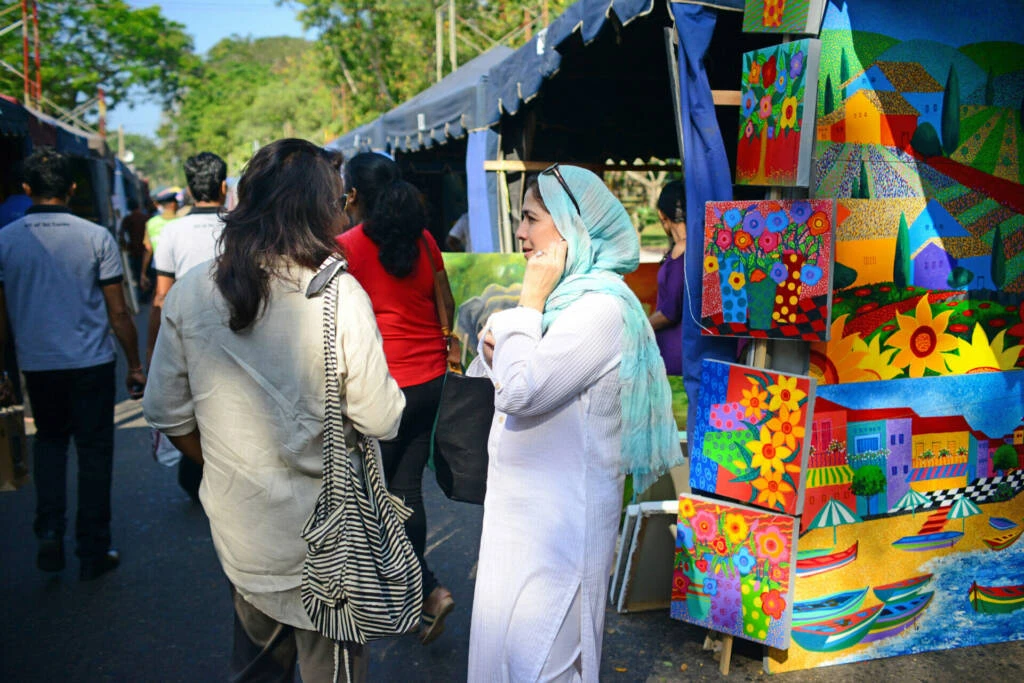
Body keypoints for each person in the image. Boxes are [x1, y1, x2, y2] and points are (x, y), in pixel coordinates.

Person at [143, 139, 404, 682]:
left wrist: (221, 459)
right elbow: (381, 419)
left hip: (242, 529)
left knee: (256, 667)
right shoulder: (338, 295)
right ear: (320, 209)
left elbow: (167, 412)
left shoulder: (192, 291)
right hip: (327, 543)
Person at [467, 165, 679, 681]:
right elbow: (487, 376)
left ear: (573, 229)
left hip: (560, 529)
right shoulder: (559, 304)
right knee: (505, 658)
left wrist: (527, 306)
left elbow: (519, 391)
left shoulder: (599, 311)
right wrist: (501, 336)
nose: (520, 234)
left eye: (531, 219)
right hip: (517, 519)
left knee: (541, 665)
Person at [0, 148, 146, 580]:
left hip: (37, 366)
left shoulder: (6, 240)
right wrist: (134, 364)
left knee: (48, 443)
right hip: (91, 363)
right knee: (94, 453)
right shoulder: (95, 236)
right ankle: (92, 550)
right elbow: (119, 312)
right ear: (73, 188)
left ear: (26, 189)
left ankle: (48, 528)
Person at [337, 152, 455, 645]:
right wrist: (444, 343)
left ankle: (423, 589)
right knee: (406, 490)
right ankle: (415, 593)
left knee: (370, 499)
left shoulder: (345, 247)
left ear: (354, 196)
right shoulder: (423, 239)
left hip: (381, 390)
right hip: (430, 385)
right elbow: (444, 300)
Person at [147, 151, 227, 502]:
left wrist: (151, 352)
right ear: (224, 186)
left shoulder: (171, 232)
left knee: (192, 409)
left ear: (190, 191)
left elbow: (161, 297)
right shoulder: (239, 226)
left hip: (188, 335)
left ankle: (200, 476)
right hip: (234, 332)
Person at [648, 180, 687, 376]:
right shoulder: (706, 245)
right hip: (691, 349)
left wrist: (639, 327)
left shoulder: (681, 250)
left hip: (674, 352)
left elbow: (669, 312)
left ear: (662, 216)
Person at [120, 197, 153, 299]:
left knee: (138, 273)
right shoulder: (146, 217)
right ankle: (149, 293)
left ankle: (142, 293)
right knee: (148, 273)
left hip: (134, 251)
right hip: (146, 250)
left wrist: (125, 247)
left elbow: (121, 234)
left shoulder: (128, 219)